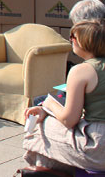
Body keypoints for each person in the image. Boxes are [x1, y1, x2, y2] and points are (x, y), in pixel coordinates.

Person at [23, 19, 105, 173]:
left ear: (84, 42)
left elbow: (69, 119)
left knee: (41, 128)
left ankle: (38, 172)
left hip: (98, 144)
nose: (71, 41)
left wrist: (48, 104)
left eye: (73, 38)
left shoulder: (82, 71)